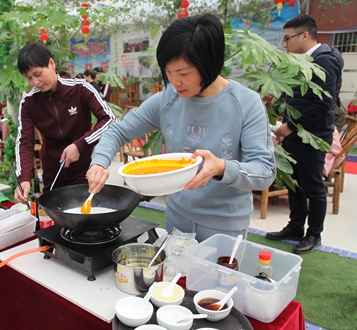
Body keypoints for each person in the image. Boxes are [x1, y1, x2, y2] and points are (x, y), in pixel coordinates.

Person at [87, 14, 276, 242]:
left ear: (209, 64)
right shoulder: (169, 99)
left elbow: (265, 171)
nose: (175, 82)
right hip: (176, 218)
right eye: (168, 72)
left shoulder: (246, 103)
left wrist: (222, 167)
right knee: (172, 277)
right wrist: (99, 162)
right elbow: (118, 131)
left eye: (184, 73)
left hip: (225, 227)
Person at [266, 14, 344, 254]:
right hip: (295, 133)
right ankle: (295, 226)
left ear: (305, 35)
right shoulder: (301, 61)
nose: (285, 44)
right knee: (294, 183)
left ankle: (314, 234)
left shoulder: (324, 61)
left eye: (288, 38)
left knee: (312, 186)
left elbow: (323, 104)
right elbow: (297, 98)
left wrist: (289, 127)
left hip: (313, 135)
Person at [14, 42, 116, 202]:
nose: (35, 82)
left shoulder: (80, 88)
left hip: (86, 171)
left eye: (38, 73)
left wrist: (79, 145)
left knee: (88, 218)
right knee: (55, 220)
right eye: (29, 78)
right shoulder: (29, 101)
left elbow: (109, 119)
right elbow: (24, 142)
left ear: (51, 63)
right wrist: (24, 177)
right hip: (53, 175)